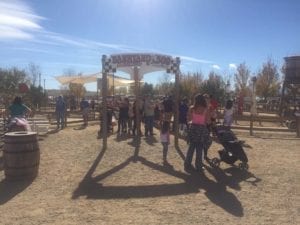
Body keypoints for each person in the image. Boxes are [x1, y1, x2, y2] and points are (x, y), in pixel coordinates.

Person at [184, 93, 212, 172]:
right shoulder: (206, 109)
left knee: (191, 148)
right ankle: (198, 166)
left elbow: (188, 119)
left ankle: (187, 164)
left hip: (193, 128)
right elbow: (208, 121)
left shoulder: (191, 108)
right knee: (200, 149)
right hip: (201, 130)